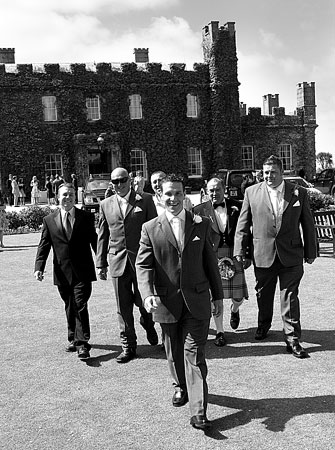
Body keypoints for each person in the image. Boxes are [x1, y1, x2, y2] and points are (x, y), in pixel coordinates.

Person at [136, 174, 223, 431]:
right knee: (174, 353)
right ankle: (179, 386)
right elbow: (143, 265)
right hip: (166, 303)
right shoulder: (150, 228)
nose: (173, 199)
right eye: (168, 194)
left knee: (194, 356)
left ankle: (198, 412)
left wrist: (217, 296)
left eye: (177, 193)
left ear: (185, 196)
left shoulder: (201, 223)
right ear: (160, 197)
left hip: (197, 301)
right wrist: (147, 293)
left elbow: (210, 263)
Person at [234, 154, 317, 358]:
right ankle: (263, 325)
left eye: (273, 172)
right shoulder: (252, 192)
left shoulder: (299, 193)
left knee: (290, 296)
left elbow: (308, 224)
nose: (269, 176)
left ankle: (292, 339)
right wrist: (239, 250)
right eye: (265, 173)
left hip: (291, 254)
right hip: (263, 253)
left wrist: (311, 251)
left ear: (282, 172)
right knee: (263, 294)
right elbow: (243, 224)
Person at [96, 167, 158, 363]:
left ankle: (148, 324)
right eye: (115, 181)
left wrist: (155, 259)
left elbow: (155, 230)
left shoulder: (145, 200)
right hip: (117, 261)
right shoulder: (105, 204)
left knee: (144, 302)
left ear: (129, 181)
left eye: (123, 180)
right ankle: (128, 346)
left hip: (141, 261)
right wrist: (100, 263)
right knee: (122, 307)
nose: (119, 184)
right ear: (111, 184)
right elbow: (103, 234)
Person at [34, 183, 97, 359]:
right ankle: (73, 338)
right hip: (62, 272)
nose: (67, 198)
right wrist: (39, 267)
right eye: (64, 195)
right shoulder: (49, 220)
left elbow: (94, 240)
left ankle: (82, 344)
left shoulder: (85, 217)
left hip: (83, 271)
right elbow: (44, 245)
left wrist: (102, 263)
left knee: (79, 304)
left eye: (70, 194)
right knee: (70, 305)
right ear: (57, 198)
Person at [194, 178, 250, 346]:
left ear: (223, 189)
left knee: (238, 296)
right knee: (215, 296)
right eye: (211, 190)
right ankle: (219, 332)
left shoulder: (237, 206)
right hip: (212, 255)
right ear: (206, 191)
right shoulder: (198, 210)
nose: (214, 193)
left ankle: (235, 309)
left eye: (217, 189)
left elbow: (247, 230)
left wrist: (248, 254)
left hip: (234, 253)